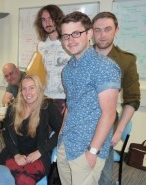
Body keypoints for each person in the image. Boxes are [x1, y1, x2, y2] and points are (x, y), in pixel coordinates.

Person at [56, 11, 121, 185]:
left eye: (76, 33)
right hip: (66, 143)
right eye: (65, 36)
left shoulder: (105, 67)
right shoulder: (68, 70)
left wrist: (93, 151)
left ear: (89, 33)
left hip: (87, 147)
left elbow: (109, 114)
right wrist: (61, 133)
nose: (70, 40)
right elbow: (70, 105)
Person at [92, 12, 141, 185]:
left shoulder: (126, 61)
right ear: (91, 32)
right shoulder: (81, 57)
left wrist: (119, 130)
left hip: (106, 128)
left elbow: (132, 99)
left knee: (103, 179)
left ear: (116, 30)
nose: (102, 35)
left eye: (107, 29)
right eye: (97, 30)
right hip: (80, 127)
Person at [0, 74, 62, 185]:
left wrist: (40, 151)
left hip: (38, 155)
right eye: (24, 89)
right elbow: (6, 133)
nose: (28, 93)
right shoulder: (13, 108)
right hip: (14, 154)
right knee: (4, 178)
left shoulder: (47, 107)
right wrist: (16, 155)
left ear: (39, 89)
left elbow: (61, 131)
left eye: (32, 88)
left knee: (25, 180)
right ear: (20, 91)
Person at [34, 4, 71, 115]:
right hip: (46, 98)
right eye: (44, 20)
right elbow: (39, 74)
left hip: (64, 99)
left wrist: (70, 102)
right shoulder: (41, 46)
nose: (47, 23)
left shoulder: (69, 43)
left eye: (51, 19)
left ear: (58, 20)